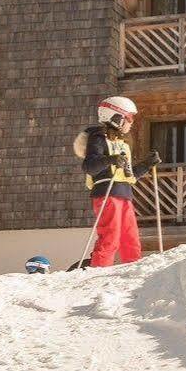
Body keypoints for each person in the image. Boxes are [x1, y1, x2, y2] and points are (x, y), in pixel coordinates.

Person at [74, 95, 150, 268]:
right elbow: (90, 166)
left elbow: (128, 177)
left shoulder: (122, 145)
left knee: (131, 239)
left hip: (124, 194)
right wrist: (110, 160)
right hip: (107, 194)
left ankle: (132, 271)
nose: (131, 123)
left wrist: (147, 164)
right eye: (129, 118)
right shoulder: (98, 139)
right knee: (111, 237)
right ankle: (99, 271)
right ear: (116, 117)